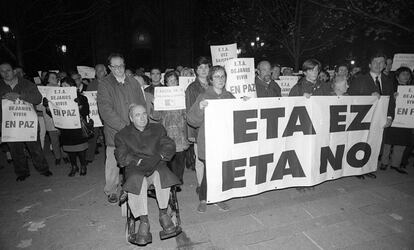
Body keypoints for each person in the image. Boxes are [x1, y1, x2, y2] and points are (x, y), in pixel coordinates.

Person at [114, 104, 181, 246]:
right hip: (136, 169)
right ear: (131, 118)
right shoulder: (122, 135)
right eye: (137, 115)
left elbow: (168, 145)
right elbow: (121, 155)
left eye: (144, 114)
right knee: (137, 180)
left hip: (156, 166)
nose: (142, 117)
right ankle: (144, 221)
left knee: (161, 175)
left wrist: (158, 157)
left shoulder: (158, 129)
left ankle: (164, 214)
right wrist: (137, 161)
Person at [97, 53, 147, 204]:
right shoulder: (105, 84)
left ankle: (134, 185)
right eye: (115, 66)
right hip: (115, 132)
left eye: (121, 65)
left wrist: (140, 123)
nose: (119, 69)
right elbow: (105, 110)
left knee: (135, 160)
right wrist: (124, 127)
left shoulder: (133, 82)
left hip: (135, 129)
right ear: (110, 68)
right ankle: (111, 189)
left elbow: (141, 103)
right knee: (113, 161)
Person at [188, 65, 234, 213]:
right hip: (209, 143)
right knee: (209, 173)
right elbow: (191, 120)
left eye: (222, 76)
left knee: (221, 172)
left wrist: (245, 102)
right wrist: (200, 108)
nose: (220, 79)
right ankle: (203, 199)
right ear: (211, 79)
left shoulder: (230, 97)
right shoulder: (203, 97)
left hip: (224, 143)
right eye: (217, 76)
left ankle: (219, 198)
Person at [0, 62, 52, 181]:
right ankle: (22, 172)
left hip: (28, 123)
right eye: (2, 71)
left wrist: (19, 95)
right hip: (9, 125)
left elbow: (38, 98)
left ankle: (43, 169)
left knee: (35, 148)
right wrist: (4, 96)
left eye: (8, 70)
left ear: (14, 71)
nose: (5, 73)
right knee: (15, 150)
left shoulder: (26, 83)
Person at [348, 52, 395, 179]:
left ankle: (367, 167)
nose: (378, 64)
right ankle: (357, 169)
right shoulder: (360, 80)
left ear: (385, 65)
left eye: (381, 62)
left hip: (379, 120)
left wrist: (390, 117)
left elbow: (391, 101)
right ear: (369, 65)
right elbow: (350, 98)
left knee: (374, 144)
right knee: (360, 143)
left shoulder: (388, 81)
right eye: (375, 62)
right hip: (362, 119)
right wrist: (368, 96)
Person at [152, 71, 189, 187]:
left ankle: (178, 179)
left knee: (180, 158)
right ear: (166, 83)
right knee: (170, 159)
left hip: (180, 133)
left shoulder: (183, 95)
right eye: (170, 81)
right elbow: (156, 117)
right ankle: (173, 180)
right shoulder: (161, 96)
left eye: (175, 80)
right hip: (167, 133)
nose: (173, 83)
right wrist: (155, 105)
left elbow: (187, 114)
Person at [48, 77, 90, 176]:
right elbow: (54, 114)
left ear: (72, 86)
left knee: (80, 148)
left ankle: (83, 165)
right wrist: (47, 107)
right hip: (66, 128)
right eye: (62, 86)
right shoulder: (59, 100)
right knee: (70, 149)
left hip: (77, 127)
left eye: (66, 86)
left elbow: (86, 112)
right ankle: (74, 166)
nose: (64, 88)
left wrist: (79, 105)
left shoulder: (82, 98)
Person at [380, 66, 412, 174]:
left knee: (401, 143)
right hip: (394, 119)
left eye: (408, 74)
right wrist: (393, 98)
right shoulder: (392, 88)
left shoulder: (412, 89)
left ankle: (395, 164)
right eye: (403, 74)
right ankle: (384, 162)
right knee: (388, 142)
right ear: (397, 77)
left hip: (406, 121)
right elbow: (385, 102)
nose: (406, 76)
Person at [185, 56, 210, 195]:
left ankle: (212, 183)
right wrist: (192, 134)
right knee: (200, 159)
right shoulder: (192, 88)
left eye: (206, 67)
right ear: (196, 70)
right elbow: (189, 111)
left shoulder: (216, 84)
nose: (204, 70)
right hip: (199, 130)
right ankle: (201, 186)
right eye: (200, 67)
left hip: (214, 129)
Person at [41, 72, 68, 166]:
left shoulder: (61, 89)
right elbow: (38, 107)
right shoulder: (42, 90)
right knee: (54, 140)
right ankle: (57, 157)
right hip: (50, 120)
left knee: (63, 139)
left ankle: (65, 155)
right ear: (47, 79)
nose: (55, 79)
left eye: (56, 77)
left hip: (61, 118)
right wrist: (43, 104)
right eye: (52, 77)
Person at [85, 64, 107, 163]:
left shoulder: (111, 83)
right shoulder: (91, 84)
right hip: (95, 115)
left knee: (108, 138)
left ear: (106, 71)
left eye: (101, 70)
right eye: (97, 71)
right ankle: (89, 157)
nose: (99, 73)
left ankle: (109, 158)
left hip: (107, 114)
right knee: (93, 137)